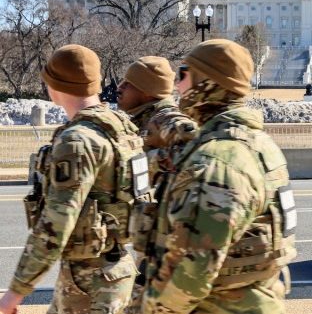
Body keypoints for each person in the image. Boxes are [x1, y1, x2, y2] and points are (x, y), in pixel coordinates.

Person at [142, 39, 296, 314]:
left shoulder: (219, 159)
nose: (177, 86)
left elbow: (191, 274)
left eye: (184, 74)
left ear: (207, 83)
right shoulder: (259, 144)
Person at [0, 45, 146, 314]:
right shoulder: (119, 128)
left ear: (55, 86)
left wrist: (16, 291)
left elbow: (56, 224)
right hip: (112, 271)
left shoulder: (77, 141)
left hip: (90, 285)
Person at [117, 56, 198, 314]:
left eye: (127, 84)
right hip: (152, 242)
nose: (119, 88)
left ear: (146, 91)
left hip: (170, 243)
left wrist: (144, 162)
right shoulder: (143, 120)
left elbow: (194, 147)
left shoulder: (165, 118)